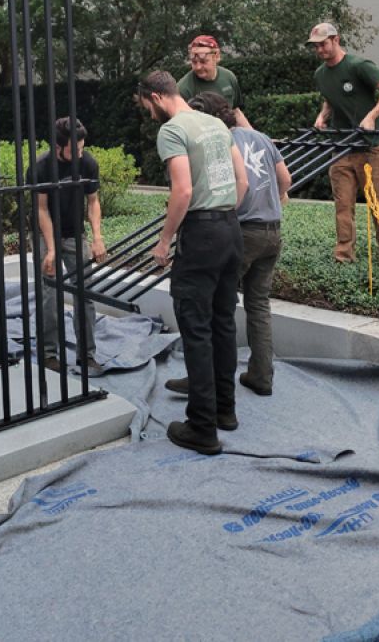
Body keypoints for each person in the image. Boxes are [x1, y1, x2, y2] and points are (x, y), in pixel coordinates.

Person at [137, 71, 247, 455]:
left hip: (200, 236)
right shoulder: (217, 122)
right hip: (231, 231)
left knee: (196, 328)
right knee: (222, 323)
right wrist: (222, 218)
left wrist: (165, 240)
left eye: (147, 107)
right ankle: (225, 410)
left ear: (155, 97)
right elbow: (242, 181)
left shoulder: (172, 131)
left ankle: (202, 427)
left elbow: (182, 189)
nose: (149, 114)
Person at [189, 92, 291, 397]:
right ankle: (262, 375)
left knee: (215, 303)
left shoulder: (217, 142)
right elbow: (285, 180)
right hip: (272, 231)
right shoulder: (261, 137)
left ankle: (205, 378)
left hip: (242, 230)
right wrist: (273, 201)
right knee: (258, 305)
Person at [308, 21, 379, 264]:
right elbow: (330, 99)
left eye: (323, 45)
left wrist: (371, 117)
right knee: (343, 206)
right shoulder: (320, 74)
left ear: (336, 40)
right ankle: (344, 256)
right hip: (340, 148)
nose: (319, 51)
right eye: (315, 47)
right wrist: (322, 116)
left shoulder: (359, 66)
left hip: (370, 147)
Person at [28, 117, 107, 376]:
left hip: (76, 233)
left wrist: (97, 238)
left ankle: (87, 356)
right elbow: (41, 210)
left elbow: (93, 202)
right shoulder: (40, 167)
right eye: (74, 150)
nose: (79, 154)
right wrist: (50, 249)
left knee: (85, 293)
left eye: (82, 147)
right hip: (45, 233)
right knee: (50, 295)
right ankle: (49, 355)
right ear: (58, 146)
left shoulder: (88, 163)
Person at [176, 34, 250, 127]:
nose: (198, 67)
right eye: (194, 62)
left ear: (216, 57)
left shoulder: (229, 77)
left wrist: (256, 137)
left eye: (203, 62)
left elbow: (236, 112)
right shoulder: (184, 88)